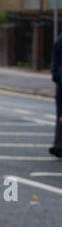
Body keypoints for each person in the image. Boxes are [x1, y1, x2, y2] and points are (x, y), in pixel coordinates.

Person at [52, 28, 62, 158]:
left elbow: (55, 59)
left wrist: (55, 75)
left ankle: (58, 144)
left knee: (60, 113)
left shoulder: (60, 39)